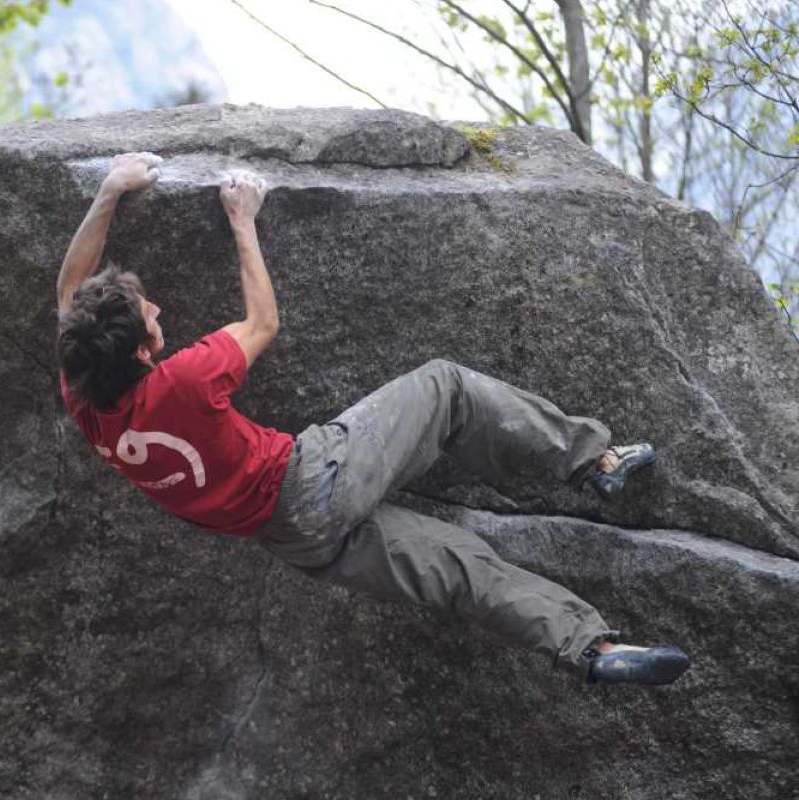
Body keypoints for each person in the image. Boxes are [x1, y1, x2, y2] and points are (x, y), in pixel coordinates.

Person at [55, 151, 691, 686]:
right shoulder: (184, 381)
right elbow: (262, 323)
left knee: (459, 568)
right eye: (151, 316)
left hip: (295, 540)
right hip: (316, 478)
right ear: (143, 353)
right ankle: (593, 461)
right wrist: (242, 219)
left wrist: (111, 190)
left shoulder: (86, 396)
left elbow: (69, 295)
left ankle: (591, 649)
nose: (159, 310)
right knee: (446, 386)